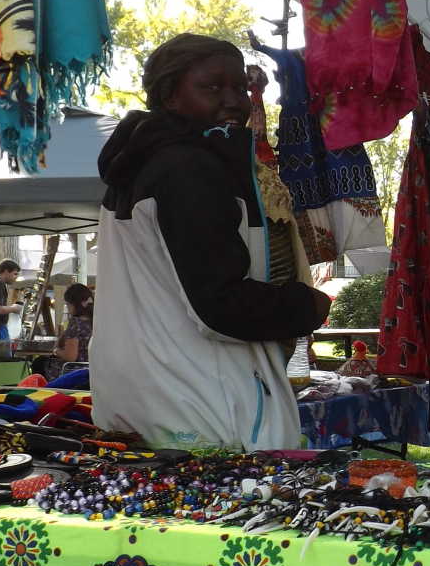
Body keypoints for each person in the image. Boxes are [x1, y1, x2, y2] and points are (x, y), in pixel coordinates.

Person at [93, 33, 332, 449]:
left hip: (144, 393)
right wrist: (306, 306)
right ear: (170, 95)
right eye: (213, 87)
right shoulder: (189, 169)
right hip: (203, 402)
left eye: (239, 87)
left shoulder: (139, 165)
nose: (234, 101)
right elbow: (220, 304)